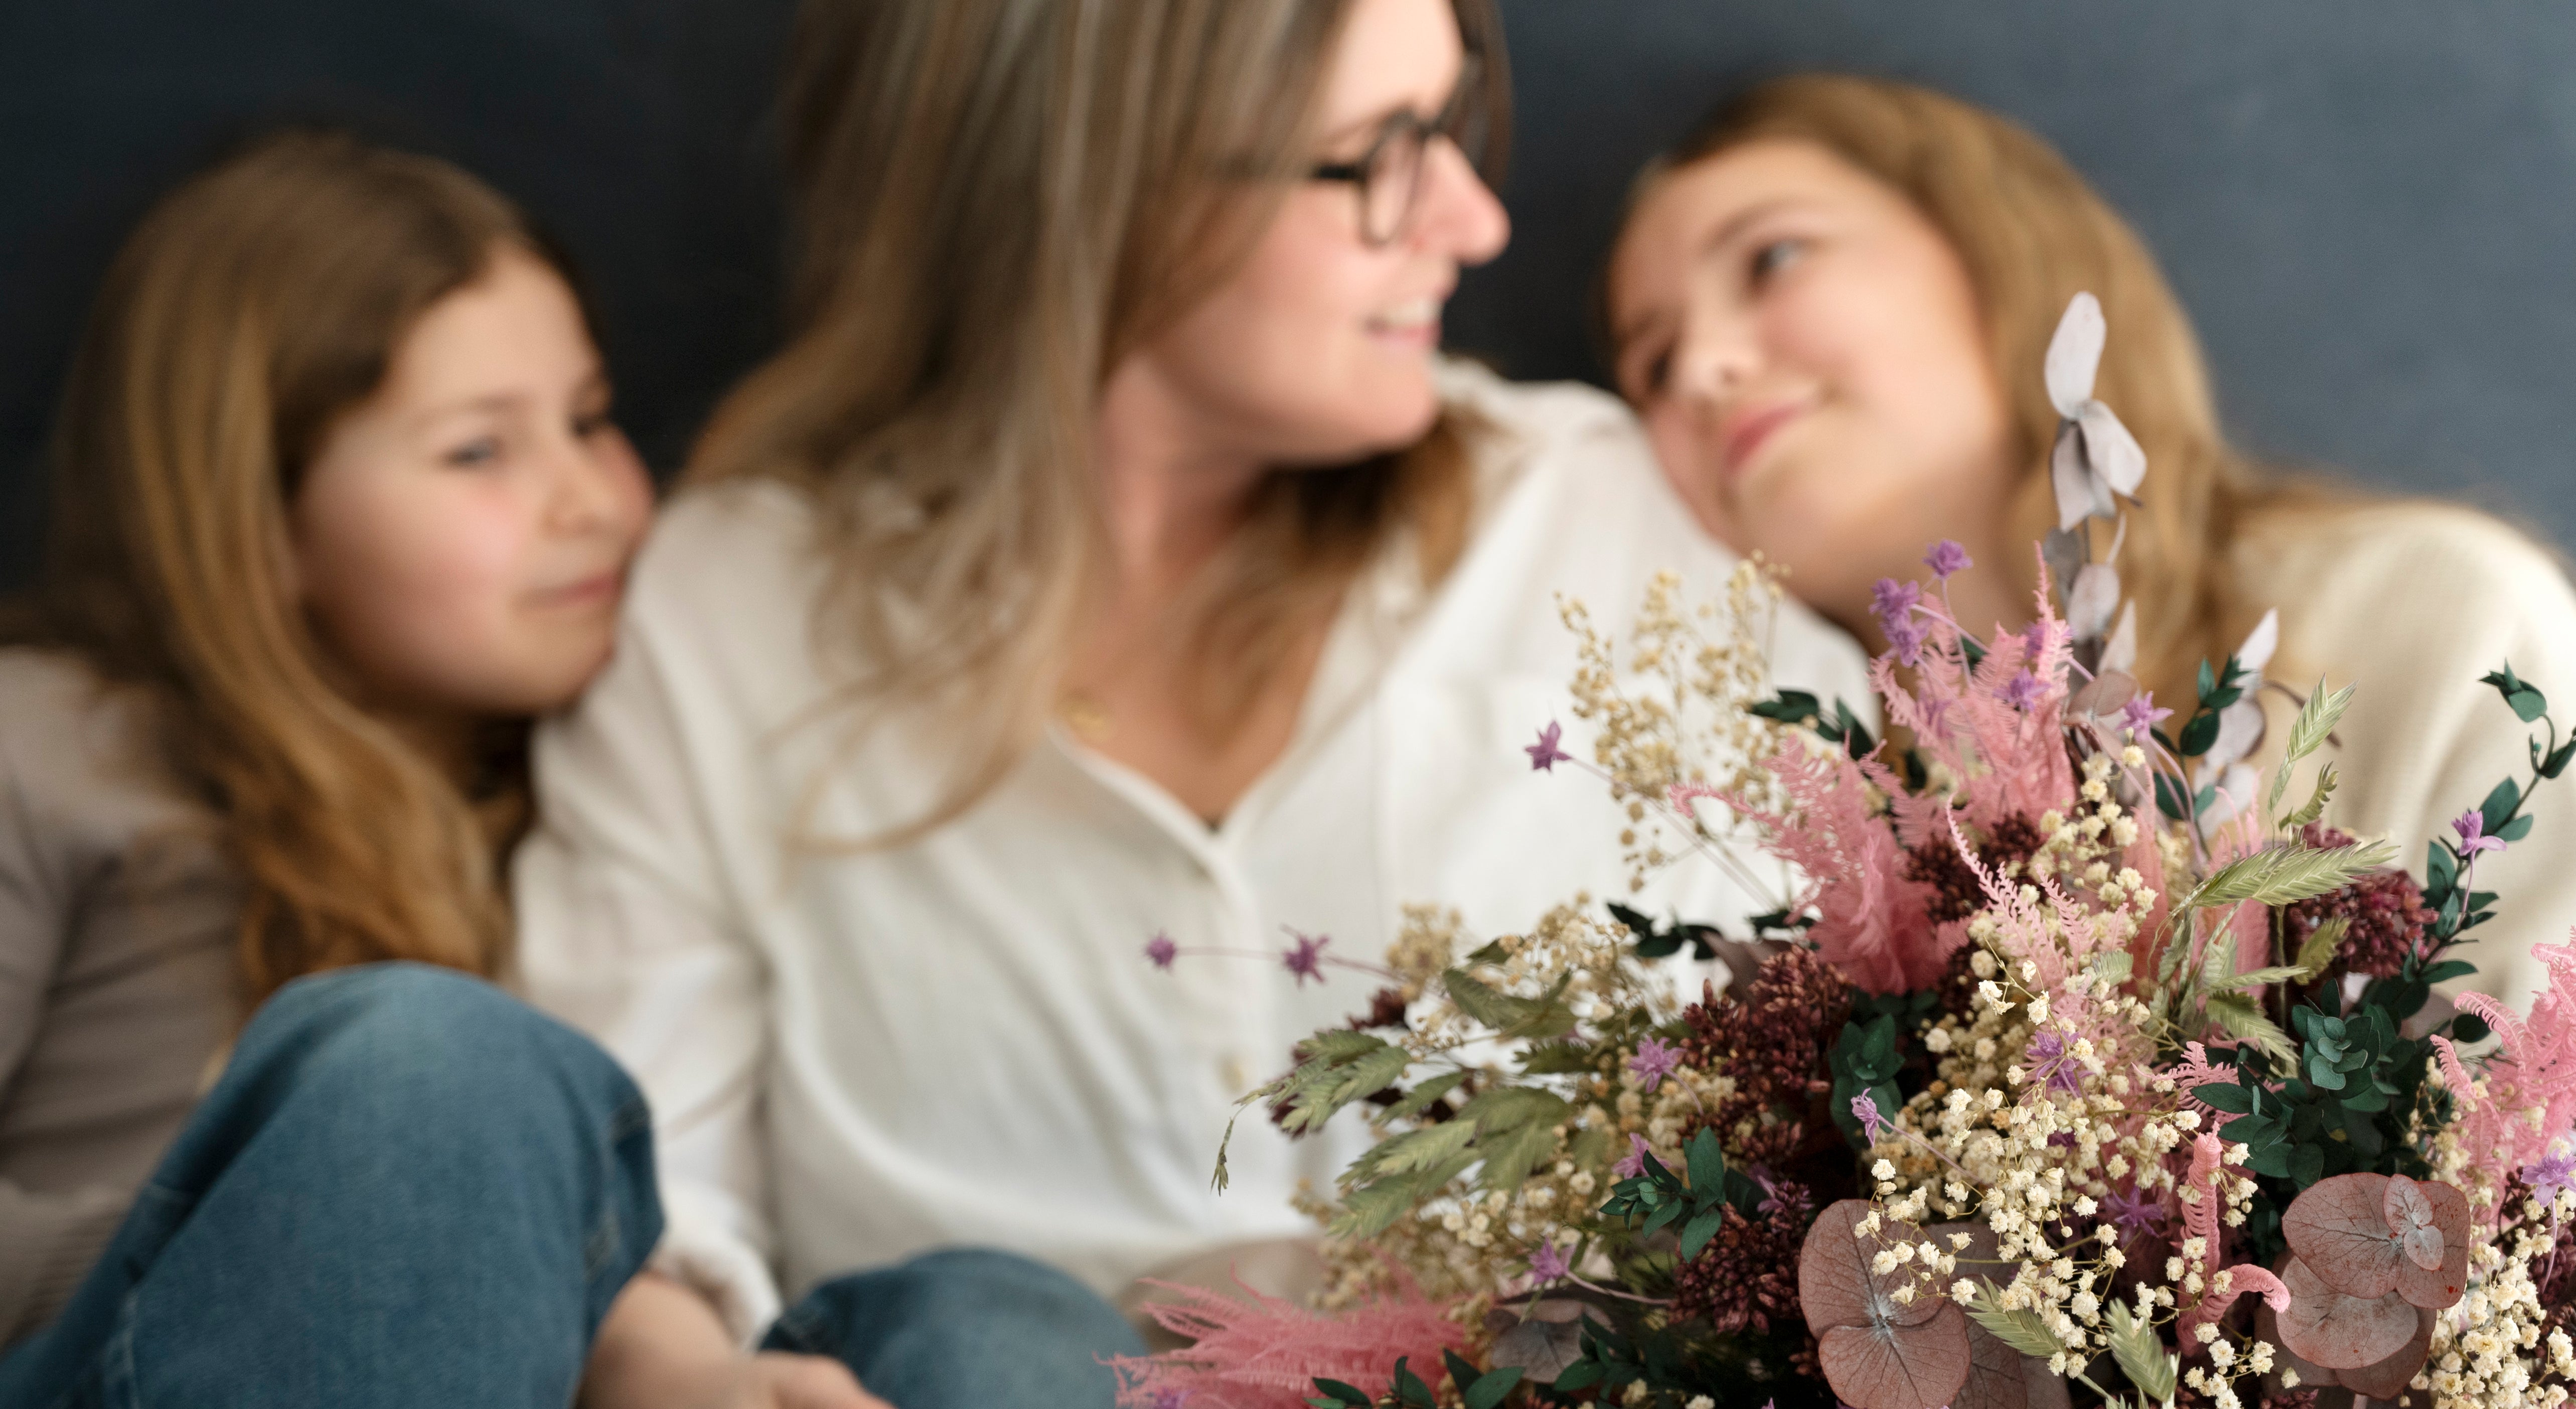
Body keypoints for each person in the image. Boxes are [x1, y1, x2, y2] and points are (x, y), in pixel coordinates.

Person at [517, 0, 1864, 1403]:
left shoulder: (1585, 524)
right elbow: (634, 1192)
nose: (1473, 223)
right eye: (1381, 155)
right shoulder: (730, 616)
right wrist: (680, 1375)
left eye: (1452, 126)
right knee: (981, 1333)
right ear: (1106, 185)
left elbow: (1912, 986)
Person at [1601, 72, 2576, 1361]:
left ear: (1996, 247)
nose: (1706, 368)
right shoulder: (1840, 876)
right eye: (1650, 361)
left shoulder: (2422, 609)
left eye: (1772, 259)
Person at [0, 132, 660, 1405]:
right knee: (432, 1068)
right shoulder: (51, 746)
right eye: (481, 451)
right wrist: (257, 1217)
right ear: (264, 520)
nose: (591, 500)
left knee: (967, 1299)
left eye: (590, 420)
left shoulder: (605, 801)